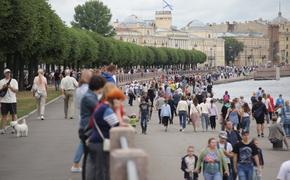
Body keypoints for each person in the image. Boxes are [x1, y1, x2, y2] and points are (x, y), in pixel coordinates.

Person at [86, 85, 126, 180]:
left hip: (94, 141)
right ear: (114, 99)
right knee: (101, 170)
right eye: (119, 99)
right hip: (99, 143)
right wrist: (117, 110)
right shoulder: (106, 110)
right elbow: (117, 125)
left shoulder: (102, 107)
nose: (120, 103)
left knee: (96, 168)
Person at [78, 75, 106, 179]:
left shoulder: (91, 96)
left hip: (87, 129)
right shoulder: (89, 97)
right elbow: (100, 109)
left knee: (90, 159)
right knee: (89, 161)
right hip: (87, 130)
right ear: (99, 87)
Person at [71, 70, 93, 173]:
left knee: (85, 140)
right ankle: (76, 163)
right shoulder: (88, 89)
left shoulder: (79, 89)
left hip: (82, 115)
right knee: (86, 140)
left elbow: (77, 105)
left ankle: (78, 163)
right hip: (89, 117)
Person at [0, 69, 18, 134]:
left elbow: (16, 90)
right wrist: (3, 87)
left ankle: (14, 128)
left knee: (14, 115)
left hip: (12, 100)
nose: (8, 74)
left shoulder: (14, 81)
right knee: (4, 115)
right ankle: (3, 129)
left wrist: (10, 87)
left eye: (9, 73)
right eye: (6, 73)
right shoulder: (1, 81)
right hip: (4, 101)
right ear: (4, 74)